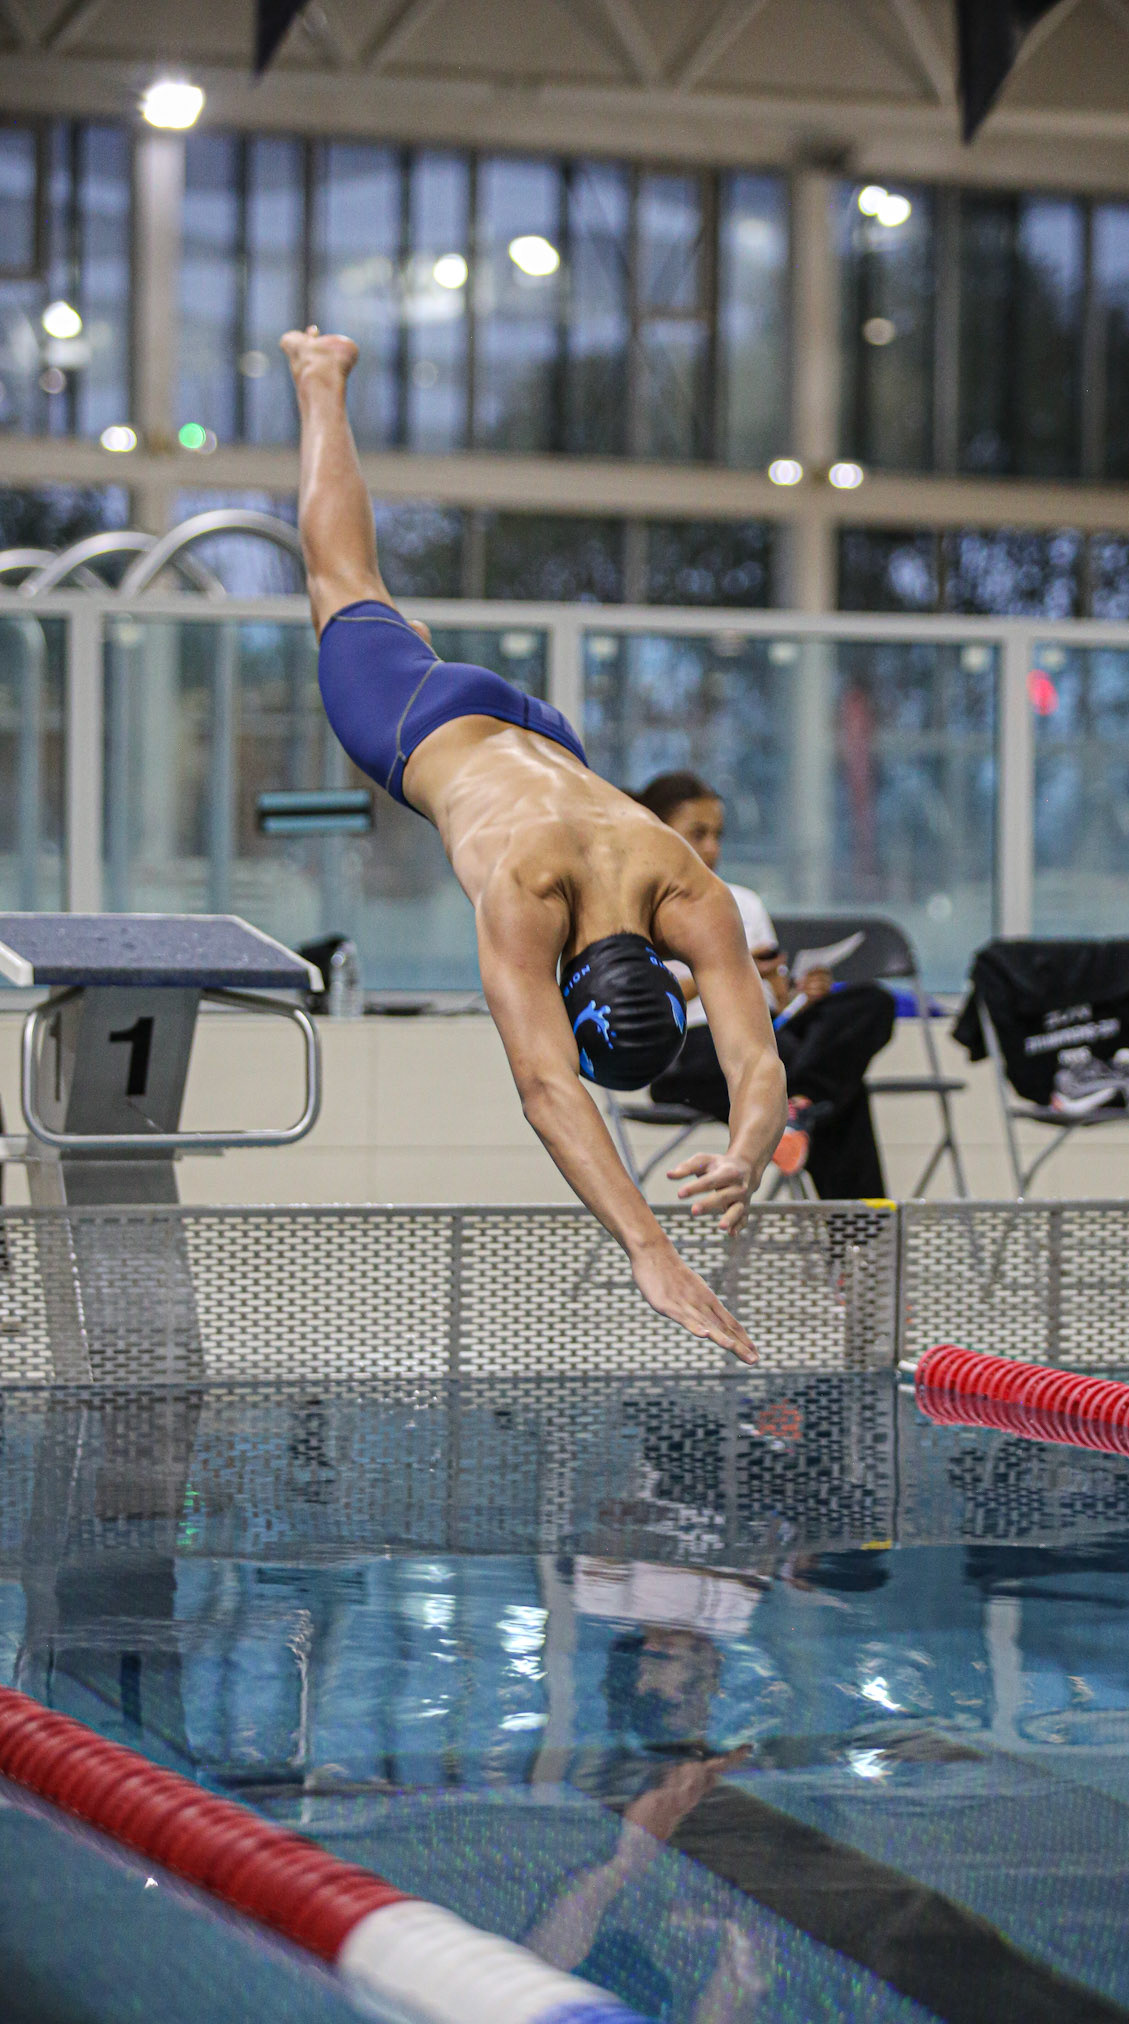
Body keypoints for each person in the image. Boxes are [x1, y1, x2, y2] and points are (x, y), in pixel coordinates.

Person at [281, 328, 785, 1360]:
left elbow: (754, 1060)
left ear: (664, 978)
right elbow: (548, 1087)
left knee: (369, 601)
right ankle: (319, 373)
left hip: (549, 735)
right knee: (342, 580)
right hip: (427, 727)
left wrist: (748, 1148)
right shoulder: (532, 889)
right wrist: (648, 1248)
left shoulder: (684, 879)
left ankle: (335, 419)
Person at [636, 772, 896, 1199]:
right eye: (698, 834)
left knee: (871, 1002)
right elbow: (637, 1008)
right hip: (689, 1049)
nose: (712, 849)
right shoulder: (635, 906)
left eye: (718, 835)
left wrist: (798, 995)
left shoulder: (743, 902)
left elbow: (773, 1002)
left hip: (763, 1038)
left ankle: (799, 1105)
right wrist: (721, 969)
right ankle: (859, 1232)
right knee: (841, 1089)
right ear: (655, 831)